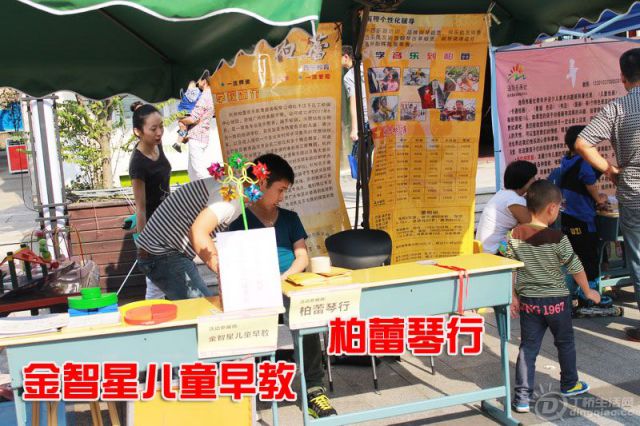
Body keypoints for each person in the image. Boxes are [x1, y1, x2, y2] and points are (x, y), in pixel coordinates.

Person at [228, 154, 336, 419]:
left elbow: (302, 257)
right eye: (280, 190)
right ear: (262, 184)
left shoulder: (289, 218)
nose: (282, 197)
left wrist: (282, 279)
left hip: (290, 284)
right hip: (256, 292)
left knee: (308, 320)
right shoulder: (238, 224)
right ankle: (255, 388)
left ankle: (314, 388)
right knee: (250, 331)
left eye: (285, 191)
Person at [505, 180, 600, 413]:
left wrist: (513, 296)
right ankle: (569, 383)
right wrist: (588, 291)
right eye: (559, 207)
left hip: (529, 302)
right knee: (565, 343)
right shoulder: (558, 238)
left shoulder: (514, 235)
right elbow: (575, 266)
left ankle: (522, 398)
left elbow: (511, 268)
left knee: (528, 348)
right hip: (557, 301)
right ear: (551, 208)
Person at [576, 47, 640, 340]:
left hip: (634, 192)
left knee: (638, 258)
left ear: (623, 77)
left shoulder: (617, 108)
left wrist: (610, 170)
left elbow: (582, 143)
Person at [135, 176, 241, 300]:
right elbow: (198, 232)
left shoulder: (234, 187)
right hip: (161, 252)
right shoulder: (231, 196)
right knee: (203, 306)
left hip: (161, 250)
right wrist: (222, 270)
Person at [558, 126, 617, 317]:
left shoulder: (567, 160)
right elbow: (588, 182)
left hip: (568, 217)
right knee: (590, 258)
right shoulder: (583, 161)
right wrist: (599, 200)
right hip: (583, 218)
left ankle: (577, 293)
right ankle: (590, 297)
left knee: (574, 257)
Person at [128, 101, 171, 300]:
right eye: (153, 129)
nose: (159, 132)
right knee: (156, 285)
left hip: (169, 220)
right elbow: (141, 208)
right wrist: (143, 243)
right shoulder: (138, 164)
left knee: (170, 277)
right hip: (153, 228)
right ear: (138, 132)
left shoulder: (156, 144)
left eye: (161, 126)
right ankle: (152, 314)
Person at [476, 160, 537, 254]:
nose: (535, 180)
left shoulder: (504, 194)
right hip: (494, 252)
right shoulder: (515, 200)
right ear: (524, 180)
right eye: (533, 177)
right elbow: (533, 226)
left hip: (484, 249)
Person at [179, 74, 215, 181]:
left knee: (199, 172)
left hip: (196, 136)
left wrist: (181, 120)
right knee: (192, 172)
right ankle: (200, 191)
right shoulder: (211, 95)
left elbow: (193, 118)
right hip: (201, 136)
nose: (197, 82)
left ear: (204, 81)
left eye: (199, 79)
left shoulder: (204, 97)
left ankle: (216, 189)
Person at [173, 80, 201, 152]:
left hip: (180, 114)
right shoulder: (199, 93)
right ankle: (184, 137)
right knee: (197, 122)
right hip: (189, 115)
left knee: (183, 128)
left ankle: (178, 144)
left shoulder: (184, 93)